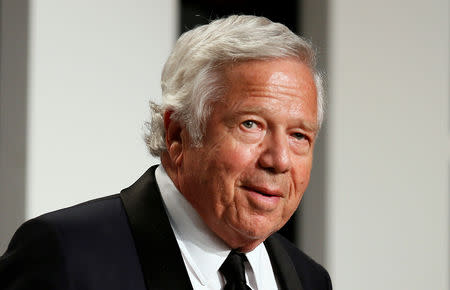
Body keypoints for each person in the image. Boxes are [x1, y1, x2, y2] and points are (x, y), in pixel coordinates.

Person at [0, 15, 331, 290]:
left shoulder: (310, 279)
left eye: (299, 135)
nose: (279, 160)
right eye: (251, 125)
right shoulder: (65, 258)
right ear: (178, 135)